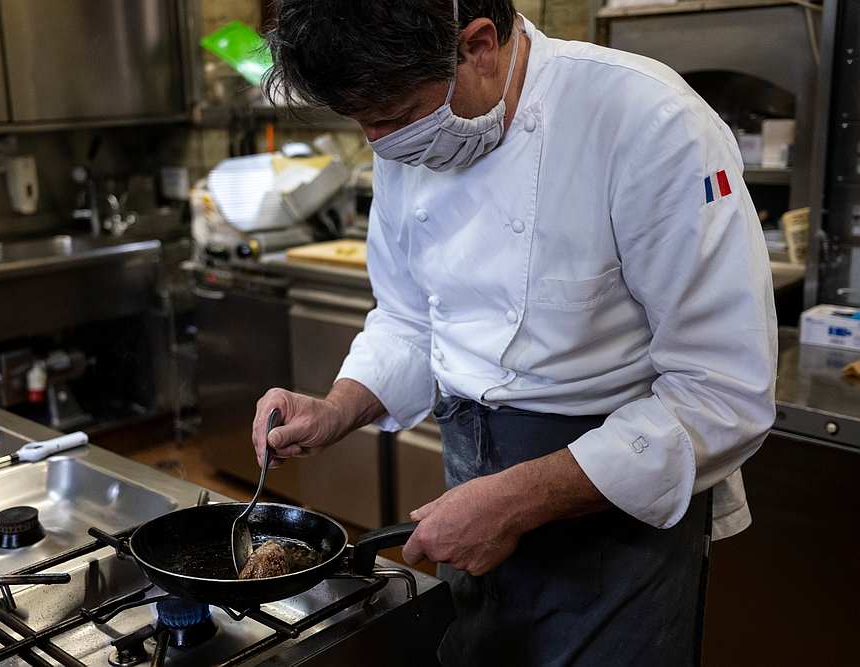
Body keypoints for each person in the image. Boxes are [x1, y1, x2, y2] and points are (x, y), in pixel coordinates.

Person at [252, 1, 777, 664]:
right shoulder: (416, 127)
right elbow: (414, 316)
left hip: (613, 515)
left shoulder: (651, 122)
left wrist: (518, 498)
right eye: (362, 121)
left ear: (477, 46)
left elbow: (722, 393)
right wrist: (338, 406)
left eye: (391, 117)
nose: (378, 142)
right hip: (471, 483)